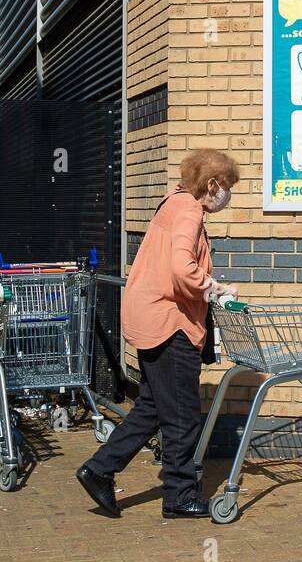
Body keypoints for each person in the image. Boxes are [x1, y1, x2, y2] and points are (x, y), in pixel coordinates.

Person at [75, 148, 240, 519]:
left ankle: (99, 470)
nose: (227, 195)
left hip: (151, 318)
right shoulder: (189, 210)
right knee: (182, 415)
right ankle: (180, 495)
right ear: (211, 184)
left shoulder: (173, 204)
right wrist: (215, 288)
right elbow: (182, 268)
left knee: (151, 407)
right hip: (170, 324)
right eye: (227, 186)